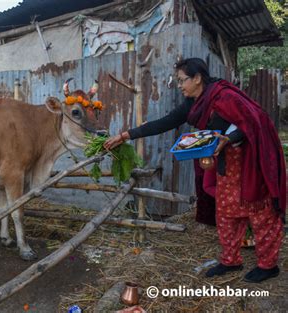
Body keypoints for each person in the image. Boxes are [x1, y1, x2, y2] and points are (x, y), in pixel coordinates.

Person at [103, 58, 286, 283]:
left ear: (197, 78)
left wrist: (229, 138)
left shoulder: (225, 96)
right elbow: (166, 122)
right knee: (227, 213)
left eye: (182, 80)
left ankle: (268, 266)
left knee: (260, 212)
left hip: (250, 162)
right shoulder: (194, 103)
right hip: (226, 164)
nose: (179, 85)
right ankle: (231, 260)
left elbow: (253, 122)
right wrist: (125, 136)